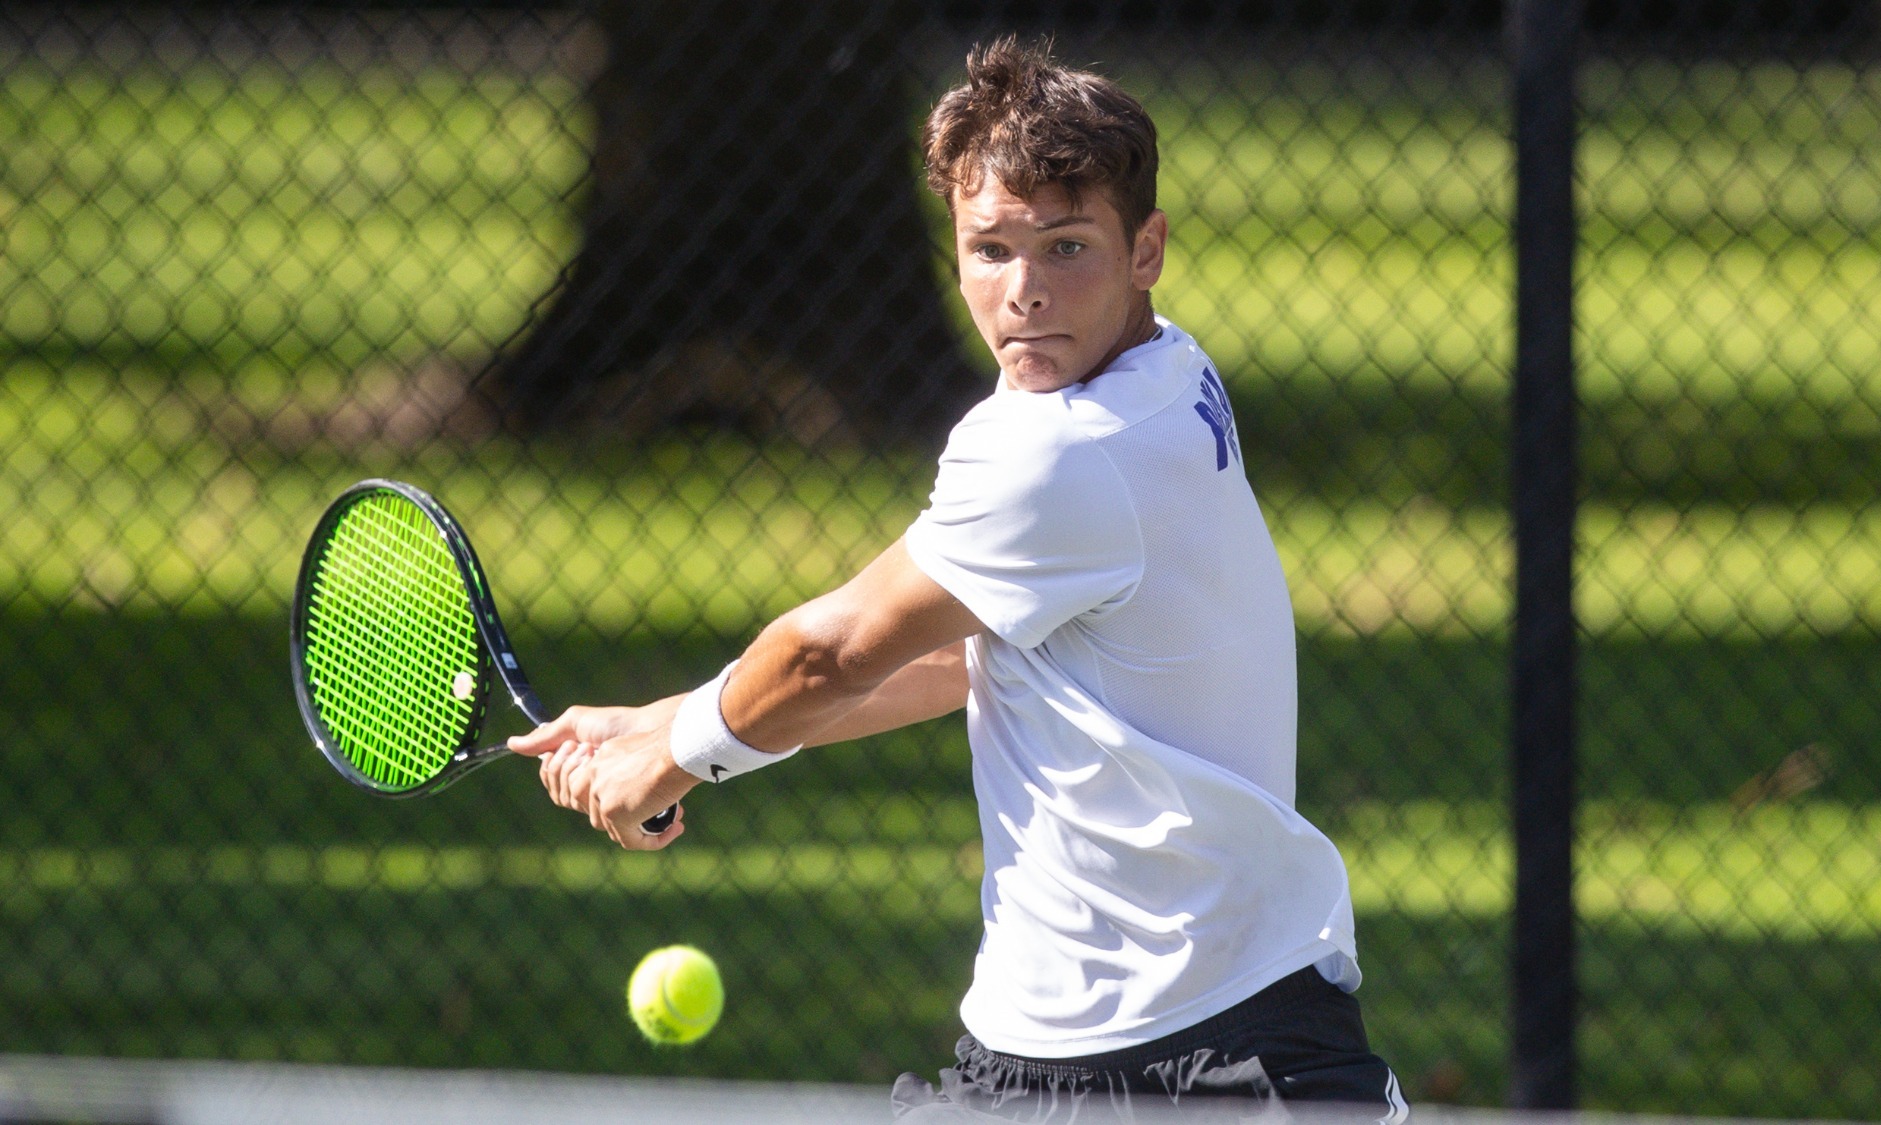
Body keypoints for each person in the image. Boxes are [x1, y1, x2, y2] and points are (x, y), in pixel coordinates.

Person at [508, 36, 1405, 1122]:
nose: (1023, 291)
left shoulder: (1063, 453)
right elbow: (953, 653)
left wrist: (681, 756)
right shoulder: (1168, 371)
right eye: (989, 250)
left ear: (1146, 248)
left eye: (1065, 248)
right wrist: (662, 718)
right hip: (1057, 1048)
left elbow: (833, 650)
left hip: (1209, 1056)